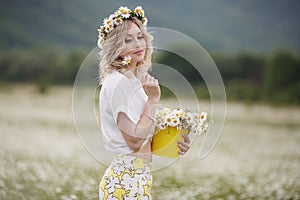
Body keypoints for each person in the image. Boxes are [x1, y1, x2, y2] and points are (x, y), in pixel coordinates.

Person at [98, 6, 190, 200]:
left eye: (140, 36)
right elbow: (133, 141)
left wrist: (175, 141)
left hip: (137, 179)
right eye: (127, 39)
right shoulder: (118, 82)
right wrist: (153, 100)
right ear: (116, 48)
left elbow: (142, 136)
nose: (137, 43)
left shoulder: (134, 82)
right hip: (125, 180)